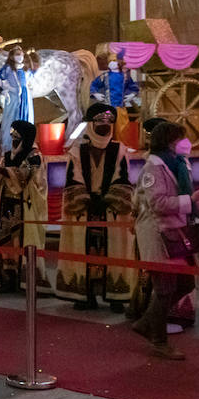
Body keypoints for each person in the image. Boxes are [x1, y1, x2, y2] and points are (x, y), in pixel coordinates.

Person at [132, 122, 199, 360]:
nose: (185, 143)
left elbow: (189, 200)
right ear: (169, 142)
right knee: (165, 289)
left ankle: (146, 323)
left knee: (185, 284)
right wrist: (191, 200)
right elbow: (158, 204)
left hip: (176, 235)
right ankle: (159, 340)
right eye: (180, 139)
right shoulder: (153, 168)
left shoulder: (179, 165)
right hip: (158, 236)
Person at [55, 103, 137, 311]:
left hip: (111, 209)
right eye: (100, 121)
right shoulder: (77, 151)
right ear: (91, 124)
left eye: (108, 121)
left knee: (114, 251)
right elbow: (73, 179)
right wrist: (86, 199)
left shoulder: (120, 150)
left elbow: (123, 178)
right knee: (85, 251)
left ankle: (116, 295)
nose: (104, 125)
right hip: (84, 209)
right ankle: (86, 294)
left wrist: (108, 199)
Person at [0, 120, 51, 294]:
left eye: (17, 136)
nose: (14, 139)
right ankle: (8, 278)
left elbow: (23, 177)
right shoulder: (8, 155)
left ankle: (27, 280)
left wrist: (0, 170)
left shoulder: (34, 156)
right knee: (6, 242)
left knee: (24, 242)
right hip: (7, 205)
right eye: (12, 136)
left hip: (26, 207)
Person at [0, 47, 36, 152]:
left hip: (25, 98)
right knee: (12, 119)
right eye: (17, 54)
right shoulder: (8, 69)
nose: (20, 56)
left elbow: (31, 80)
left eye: (21, 54)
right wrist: (9, 88)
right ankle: (8, 146)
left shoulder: (25, 69)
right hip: (13, 97)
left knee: (25, 117)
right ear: (12, 56)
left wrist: (28, 87)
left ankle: (24, 145)